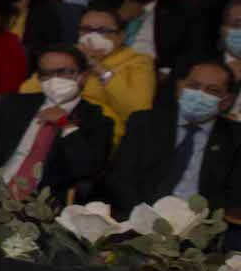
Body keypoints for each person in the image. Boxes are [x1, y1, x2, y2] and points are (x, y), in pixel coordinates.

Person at [0, 46, 115, 201]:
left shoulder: (96, 119)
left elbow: (88, 169)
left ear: (84, 75)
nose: (55, 79)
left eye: (64, 72)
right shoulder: (14, 104)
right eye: (46, 74)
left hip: (43, 203)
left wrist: (66, 124)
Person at [102, 60, 241, 220]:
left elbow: (233, 195)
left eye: (212, 90)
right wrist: (147, 216)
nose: (200, 94)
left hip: (199, 226)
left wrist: (194, 221)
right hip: (140, 217)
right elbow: (119, 179)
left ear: (228, 101)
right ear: (179, 87)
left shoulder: (235, 138)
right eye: (194, 86)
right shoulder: (145, 123)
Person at [25, 6, 153, 140]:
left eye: (103, 31)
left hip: (98, 130)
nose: (92, 36)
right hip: (49, 119)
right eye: (86, 29)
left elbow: (136, 112)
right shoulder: (67, 54)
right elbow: (27, 92)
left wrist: (100, 69)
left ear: (121, 36)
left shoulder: (138, 62)